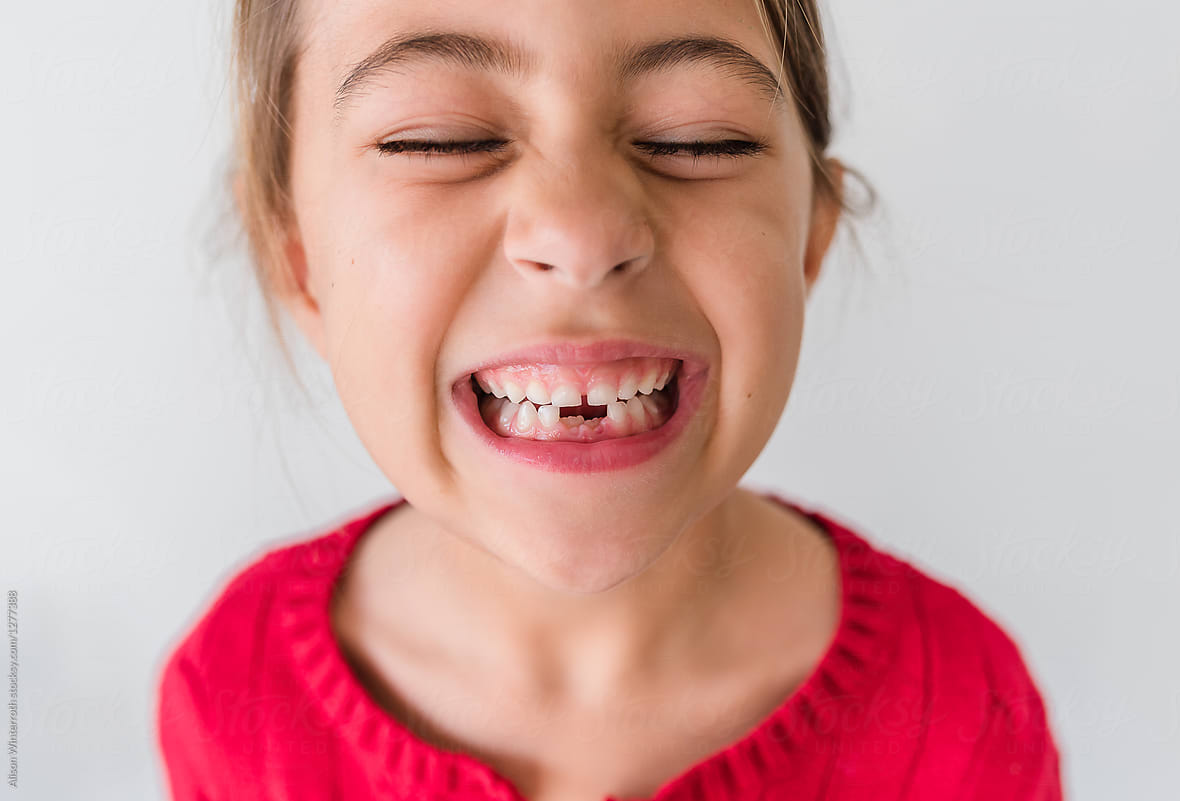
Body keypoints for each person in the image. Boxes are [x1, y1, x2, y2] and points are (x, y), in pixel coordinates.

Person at [156, 1, 1065, 799]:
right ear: (298, 258)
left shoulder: (964, 712)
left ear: (808, 243)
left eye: (694, 139)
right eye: (440, 139)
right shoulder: (232, 691)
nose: (581, 234)